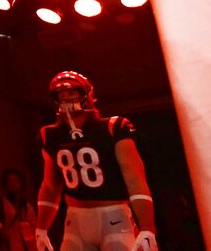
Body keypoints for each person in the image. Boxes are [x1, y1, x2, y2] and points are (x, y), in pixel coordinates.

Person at [35, 71, 158, 251]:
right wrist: (41, 227)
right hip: (75, 218)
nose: (67, 98)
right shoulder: (49, 135)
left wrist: (148, 229)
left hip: (114, 215)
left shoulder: (112, 128)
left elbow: (135, 179)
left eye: (72, 93)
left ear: (86, 95)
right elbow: (50, 186)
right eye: (61, 95)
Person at [0, 169, 37, 251]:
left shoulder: (27, 205)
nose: (13, 184)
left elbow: (34, 226)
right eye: (9, 181)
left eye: (16, 181)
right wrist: (1, 230)